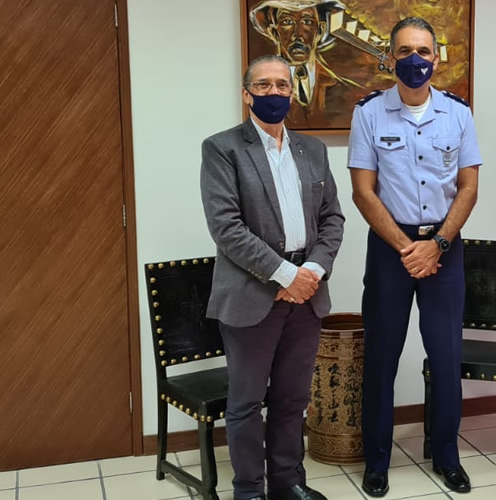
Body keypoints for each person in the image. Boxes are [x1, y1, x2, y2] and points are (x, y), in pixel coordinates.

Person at [347, 16, 482, 498]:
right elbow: (363, 192)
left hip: (444, 248)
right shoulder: (369, 113)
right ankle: (377, 461)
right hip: (392, 251)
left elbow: (468, 187)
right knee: (381, 358)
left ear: (437, 58)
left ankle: (447, 456)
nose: (414, 60)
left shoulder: (458, 113)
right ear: (389, 58)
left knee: (446, 358)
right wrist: (408, 248)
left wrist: (437, 244)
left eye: (423, 51)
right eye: (404, 51)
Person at [200, 54, 345, 500]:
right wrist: (284, 276)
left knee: (292, 399)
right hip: (252, 294)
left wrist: (310, 272)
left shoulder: (312, 150)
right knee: (246, 404)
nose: (274, 92)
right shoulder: (222, 148)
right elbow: (226, 228)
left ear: (291, 94)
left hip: (307, 293)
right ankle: (249, 491)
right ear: (246, 95)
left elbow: (332, 219)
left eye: (282, 85)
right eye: (263, 85)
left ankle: (288, 482)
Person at [250, 0, 359, 112]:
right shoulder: (259, 92)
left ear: (320, 31)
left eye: (307, 22)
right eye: (287, 22)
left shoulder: (344, 90)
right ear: (274, 32)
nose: (298, 35)